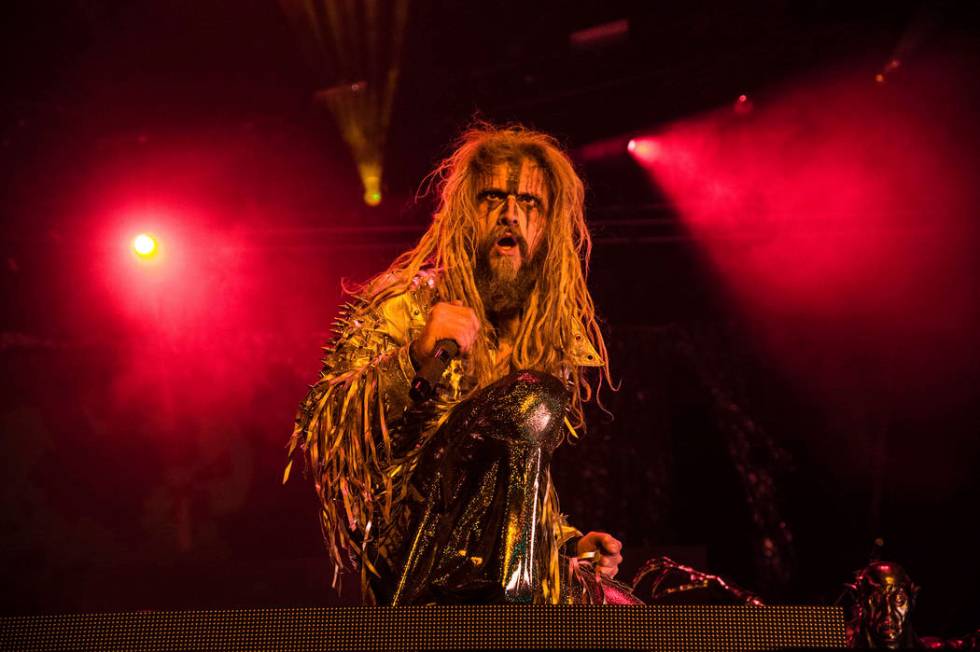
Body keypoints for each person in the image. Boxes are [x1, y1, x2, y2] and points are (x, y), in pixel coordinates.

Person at [286, 124, 623, 605]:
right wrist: (414, 360)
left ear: (548, 227)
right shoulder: (406, 302)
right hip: (409, 550)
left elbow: (507, 479)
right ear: (466, 214)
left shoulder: (547, 333)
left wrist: (561, 542)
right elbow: (323, 430)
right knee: (530, 397)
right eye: (493, 198)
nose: (510, 214)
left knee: (628, 602)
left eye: (529, 203)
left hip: (490, 566)